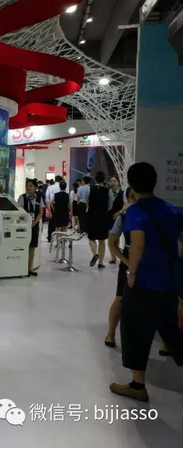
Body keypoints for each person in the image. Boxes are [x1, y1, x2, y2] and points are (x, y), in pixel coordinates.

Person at [110, 162, 182, 403]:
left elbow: (137, 244)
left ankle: (137, 385)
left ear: (131, 185)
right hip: (169, 283)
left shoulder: (135, 211)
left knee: (135, 331)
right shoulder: (171, 209)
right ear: (155, 181)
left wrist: (131, 272)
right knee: (172, 331)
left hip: (143, 283)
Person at [105, 187, 135, 347]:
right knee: (120, 298)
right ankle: (111, 333)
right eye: (132, 197)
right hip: (128, 260)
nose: (135, 200)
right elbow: (112, 243)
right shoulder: (123, 218)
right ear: (127, 199)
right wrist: (126, 261)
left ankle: (165, 342)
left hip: (150, 262)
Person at [18, 179, 44, 277]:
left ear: (35, 188)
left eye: (30, 186)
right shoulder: (22, 197)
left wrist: (35, 222)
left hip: (34, 225)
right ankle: (22, 267)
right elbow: (20, 211)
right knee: (23, 245)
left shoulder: (39, 198)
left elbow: (41, 212)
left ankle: (30, 268)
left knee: (32, 246)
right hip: (24, 225)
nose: (28, 187)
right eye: (27, 185)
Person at [87, 171, 111, 268]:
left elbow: (87, 203)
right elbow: (110, 205)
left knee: (91, 238)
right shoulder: (107, 191)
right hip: (103, 217)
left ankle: (95, 254)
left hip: (92, 216)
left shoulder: (90, 189)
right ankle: (101, 263)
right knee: (102, 240)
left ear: (95, 179)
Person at [108, 176, 125, 264]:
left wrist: (120, 212)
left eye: (114, 181)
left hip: (119, 217)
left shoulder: (122, 193)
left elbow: (126, 205)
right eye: (111, 181)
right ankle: (113, 257)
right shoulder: (108, 192)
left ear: (118, 183)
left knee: (117, 238)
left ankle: (116, 255)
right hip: (109, 218)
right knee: (110, 237)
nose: (113, 183)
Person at [46, 175, 63, 242]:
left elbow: (47, 197)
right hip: (60, 205)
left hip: (52, 204)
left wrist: (48, 206)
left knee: (52, 221)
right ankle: (60, 238)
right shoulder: (61, 187)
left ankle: (50, 237)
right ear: (61, 180)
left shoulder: (50, 187)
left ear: (55, 180)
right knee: (60, 222)